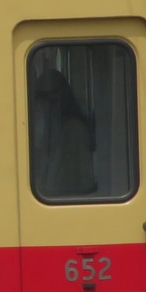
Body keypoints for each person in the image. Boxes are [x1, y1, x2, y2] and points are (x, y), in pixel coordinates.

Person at [30, 67, 96, 198]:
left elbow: (84, 178)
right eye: (41, 98)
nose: (45, 105)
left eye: (52, 99)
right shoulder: (37, 127)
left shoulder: (76, 130)